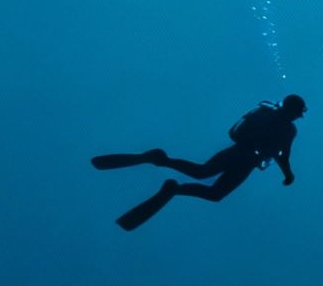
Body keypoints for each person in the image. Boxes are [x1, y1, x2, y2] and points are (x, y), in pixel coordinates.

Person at [93, 94, 307, 231]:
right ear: (294, 111)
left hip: (240, 155)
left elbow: (239, 132)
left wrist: (287, 173)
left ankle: (166, 171)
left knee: (205, 178)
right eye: (298, 114)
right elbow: (282, 155)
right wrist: (288, 174)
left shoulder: (266, 113)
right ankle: (167, 173)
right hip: (244, 158)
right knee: (210, 186)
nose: (298, 117)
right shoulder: (288, 129)